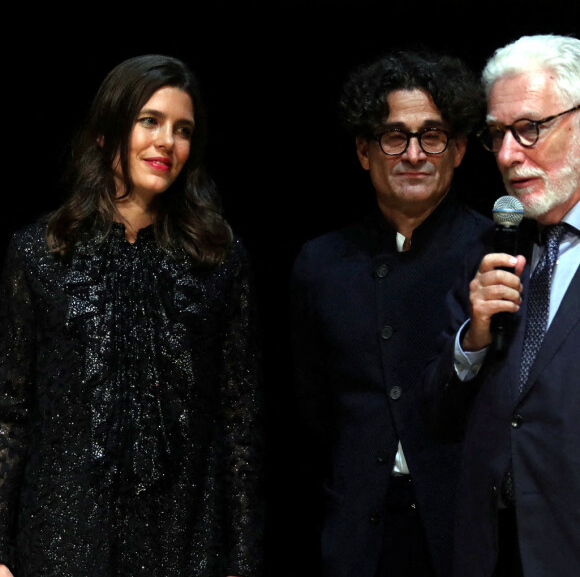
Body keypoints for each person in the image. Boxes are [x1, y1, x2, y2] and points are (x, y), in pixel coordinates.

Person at [0, 55, 262, 576]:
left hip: (186, 544)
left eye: (182, 130)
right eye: (150, 121)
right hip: (61, 541)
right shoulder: (40, 254)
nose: (167, 141)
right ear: (105, 131)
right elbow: (10, 413)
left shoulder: (219, 259)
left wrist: (241, 560)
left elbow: (240, 421)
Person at [291, 50, 493, 577]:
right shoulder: (321, 262)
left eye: (432, 135)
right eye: (393, 136)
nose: (413, 154)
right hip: (357, 530)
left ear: (460, 149)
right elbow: (312, 412)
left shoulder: (495, 251)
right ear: (363, 150)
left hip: (466, 529)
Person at [422, 34, 580, 577]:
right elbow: (438, 415)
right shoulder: (491, 246)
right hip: (490, 549)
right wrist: (473, 340)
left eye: (530, 129)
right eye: (497, 135)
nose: (509, 156)